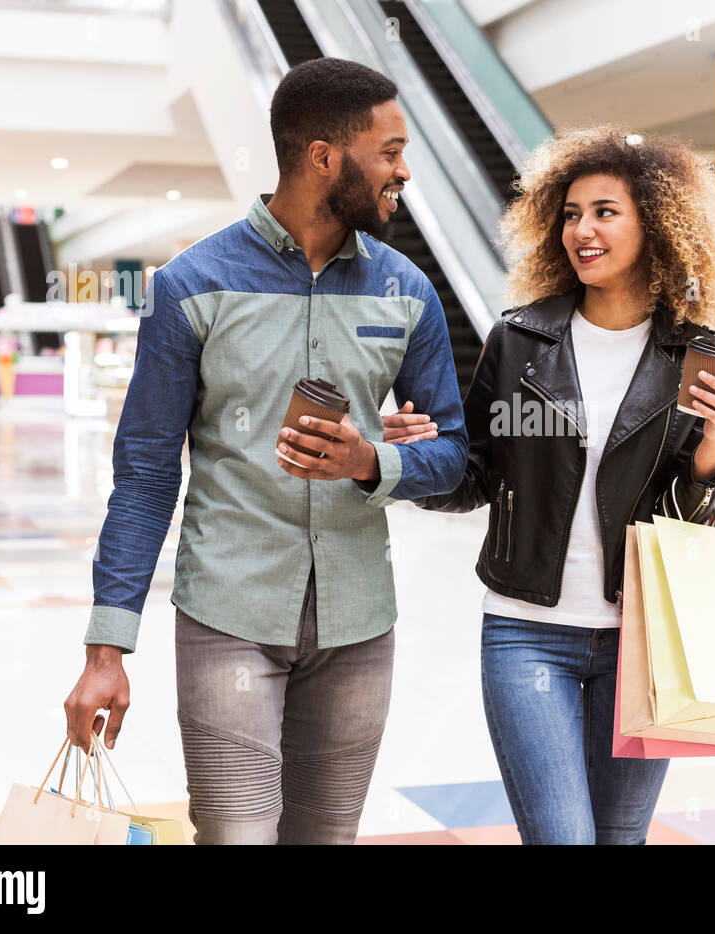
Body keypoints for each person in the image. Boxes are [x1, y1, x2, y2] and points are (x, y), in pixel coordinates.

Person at [63, 58, 469, 844]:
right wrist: (106, 647)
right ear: (324, 158)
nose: (403, 172)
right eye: (388, 152)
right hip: (228, 617)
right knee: (238, 836)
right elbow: (146, 474)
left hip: (358, 625)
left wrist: (371, 461)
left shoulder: (407, 292)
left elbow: (453, 456)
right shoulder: (192, 285)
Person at [390, 127, 715, 844]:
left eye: (606, 211)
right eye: (573, 212)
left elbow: (689, 525)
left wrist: (710, 450)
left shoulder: (697, 355)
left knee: (621, 837)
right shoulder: (522, 341)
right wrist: (419, 461)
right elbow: (477, 479)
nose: (583, 229)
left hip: (644, 642)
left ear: (658, 223)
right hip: (527, 633)